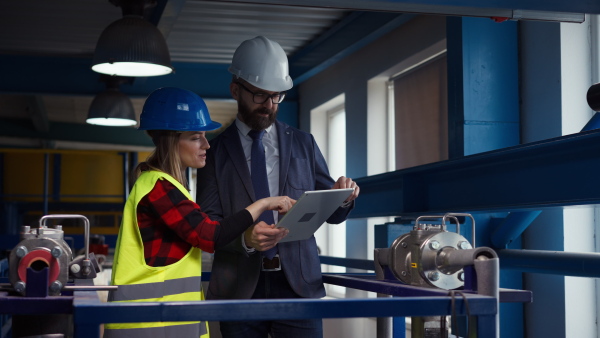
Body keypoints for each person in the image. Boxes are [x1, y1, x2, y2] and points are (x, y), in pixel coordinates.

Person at [196, 36, 360, 338]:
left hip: (299, 285)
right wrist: (245, 238)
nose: (269, 105)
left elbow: (332, 212)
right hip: (238, 289)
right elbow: (208, 225)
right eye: (260, 96)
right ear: (236, 90)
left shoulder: (303, 143)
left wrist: (344, 196)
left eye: (277, 96)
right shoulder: (213, 153)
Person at [104, 87, 294, 338]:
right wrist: (262, 204)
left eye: (204, 135)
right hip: (146, 325)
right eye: (196, 137)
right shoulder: (158, 188)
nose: (206, 144)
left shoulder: (168, 187)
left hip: (163, 322)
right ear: (172, 140)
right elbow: (210, 235)